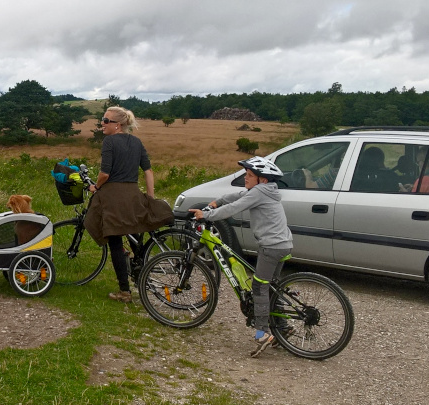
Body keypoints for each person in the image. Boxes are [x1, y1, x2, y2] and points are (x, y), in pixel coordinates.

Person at [190, 156, 293, 357]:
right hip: (284, 245)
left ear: (262, 179)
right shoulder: (265, 191)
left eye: (250, 175)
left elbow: (234, 208)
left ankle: (263, 333)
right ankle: (283, 327)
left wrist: (207, 215)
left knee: (259, 286)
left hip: (271, 247)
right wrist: (215, 202)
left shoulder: (260, 192)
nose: (246, 178)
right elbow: (237, 196)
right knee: (272, 286)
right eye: (246, 174)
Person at [84, 106, 173, 303]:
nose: (102, 124)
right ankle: (139, 272)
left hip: (114, 197)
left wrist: (96, 187)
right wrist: (149, 197)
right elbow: (148, 171)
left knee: (114, 241)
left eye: (106, 121)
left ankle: (124, 291)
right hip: (133, 196)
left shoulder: (109, 142)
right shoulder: (136, 141)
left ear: (118, 125)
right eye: (102, 120)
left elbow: (105, 173)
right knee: (135, 235)